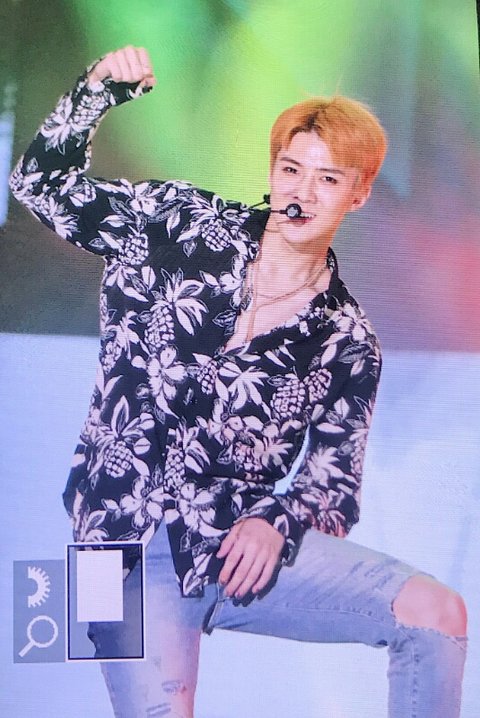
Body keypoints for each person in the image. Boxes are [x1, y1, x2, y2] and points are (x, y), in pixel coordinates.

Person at [10, 46, 467, 718]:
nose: (302, 192)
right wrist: (98, 91)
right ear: (273, 171)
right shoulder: (178, 224)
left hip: (234, 544)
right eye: (291, 169)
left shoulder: (346, 340)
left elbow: (333, 484)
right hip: (116, 545)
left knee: (437, 612)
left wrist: (277, 521)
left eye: (328, 178)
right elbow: (40, 186)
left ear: (359, 193)